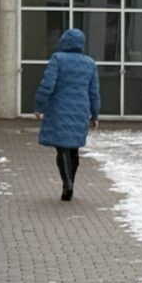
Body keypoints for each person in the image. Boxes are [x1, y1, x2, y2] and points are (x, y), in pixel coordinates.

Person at [34, 28, 100, 201]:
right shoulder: (89, 63)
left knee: (62, 148)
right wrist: (95, 115)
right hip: (80, 110)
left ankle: (67, 183)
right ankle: (71, 182)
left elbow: (47, 84)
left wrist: (39, 105)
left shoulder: (57, 59)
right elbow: (94, 92)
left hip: (59, 109)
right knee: (73, 149)